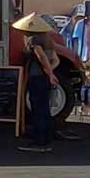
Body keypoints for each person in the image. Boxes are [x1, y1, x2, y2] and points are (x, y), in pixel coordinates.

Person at [15, 13, 61, 153]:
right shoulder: (48, 40)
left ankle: (39, 142)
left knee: (38, 109)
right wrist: (50, 72)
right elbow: (56, 60)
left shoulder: (33, 40)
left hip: (37, 77)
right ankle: (46, 138)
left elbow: (41, 57)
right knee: (45, 109)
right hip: (45, 78)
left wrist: (49, 73)